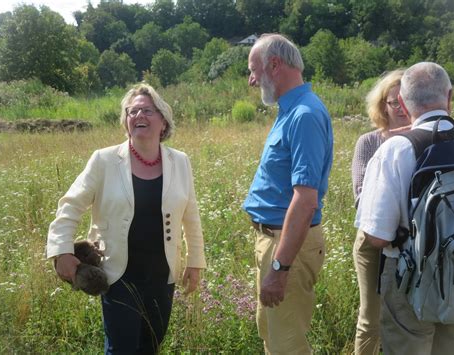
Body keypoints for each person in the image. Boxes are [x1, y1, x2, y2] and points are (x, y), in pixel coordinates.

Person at [47, 83, 206, 354]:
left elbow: (191, 215)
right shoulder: (104, 160)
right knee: (121, 349)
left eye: (146, 110)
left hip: (162, 276)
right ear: (125, 121)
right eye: (131, 112)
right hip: (117, 275)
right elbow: (71, 206)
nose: (138, 116)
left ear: (163, 122)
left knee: (151, 347)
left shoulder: (180, 161)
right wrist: (60, 250)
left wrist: (195, 261)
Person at [355, 62, 454, 354]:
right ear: (450, 96)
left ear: (403, 102)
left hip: (410, 277)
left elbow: (376, 236)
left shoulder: (396, 149)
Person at [243, 33, 333, 354]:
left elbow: (306, 200)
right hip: (275, 241)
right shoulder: (290, 110)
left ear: (275, 65)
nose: (252, 81)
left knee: (287, 346)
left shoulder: (304, 116)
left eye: (254, 70)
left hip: (287, 247)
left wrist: (279, 269)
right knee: (272, 334)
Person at [351, 69, 409, 355]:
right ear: (382, 105)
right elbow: (361, 196)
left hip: (414, 242)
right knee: (371, 318)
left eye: (404, 100)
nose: (399, 108)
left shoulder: (426, 140)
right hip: (371, 242)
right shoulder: (369, 142)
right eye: (392, 101)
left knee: (411, 318)